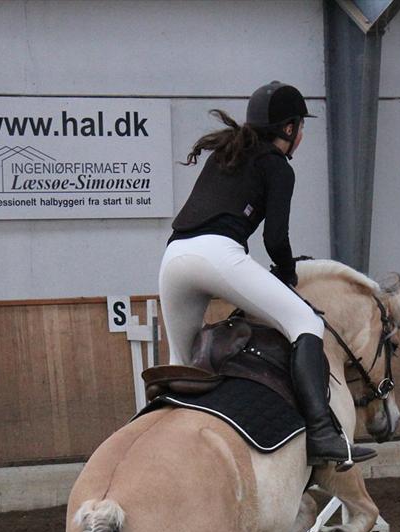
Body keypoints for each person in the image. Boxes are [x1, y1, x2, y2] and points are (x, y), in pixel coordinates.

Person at [159, 81, 374, 469]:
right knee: (306, 323)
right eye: (300, 128)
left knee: (183, 365)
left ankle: (163, 445)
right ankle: (323, 433)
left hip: (174, 259)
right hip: (217, 254)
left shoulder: (226, 154)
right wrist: (288, 274)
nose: (302, 135)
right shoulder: (277, 166)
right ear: (288, 130)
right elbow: (276, 238)